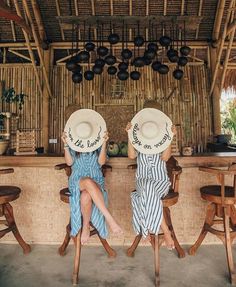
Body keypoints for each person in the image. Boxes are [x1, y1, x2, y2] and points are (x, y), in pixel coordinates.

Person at [125, 105, 176, 250]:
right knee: (147, 186)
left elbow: (165, 158)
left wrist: (170, 138)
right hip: (142, 181)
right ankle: (165, 231)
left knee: (148, 192)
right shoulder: (139, 144)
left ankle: (145, 228)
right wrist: (130, 136)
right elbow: (131, 156)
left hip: (160, 182)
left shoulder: (162, 143)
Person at [61, 130, 123, 245]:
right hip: (77, 181)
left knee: (86, 194)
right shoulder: (73, 144)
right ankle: (109, 218)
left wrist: (104, 143)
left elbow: (102, 162)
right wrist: (65, 144)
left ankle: (85, 227)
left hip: (96, 181)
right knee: (88, 182)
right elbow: (69, 163)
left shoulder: (97, 144)